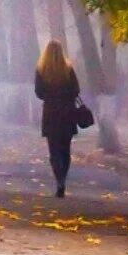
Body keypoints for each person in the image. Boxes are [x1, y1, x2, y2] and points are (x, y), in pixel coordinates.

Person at [34, 40, 81, 198]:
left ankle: (59, 180)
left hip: (50, 115)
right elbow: (76, 90)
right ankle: (62, 179)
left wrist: (50, 95)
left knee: (54, 151)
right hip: (67, 114)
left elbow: (39, 92)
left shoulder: (41, 70)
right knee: (65, 150)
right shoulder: (68, 69)